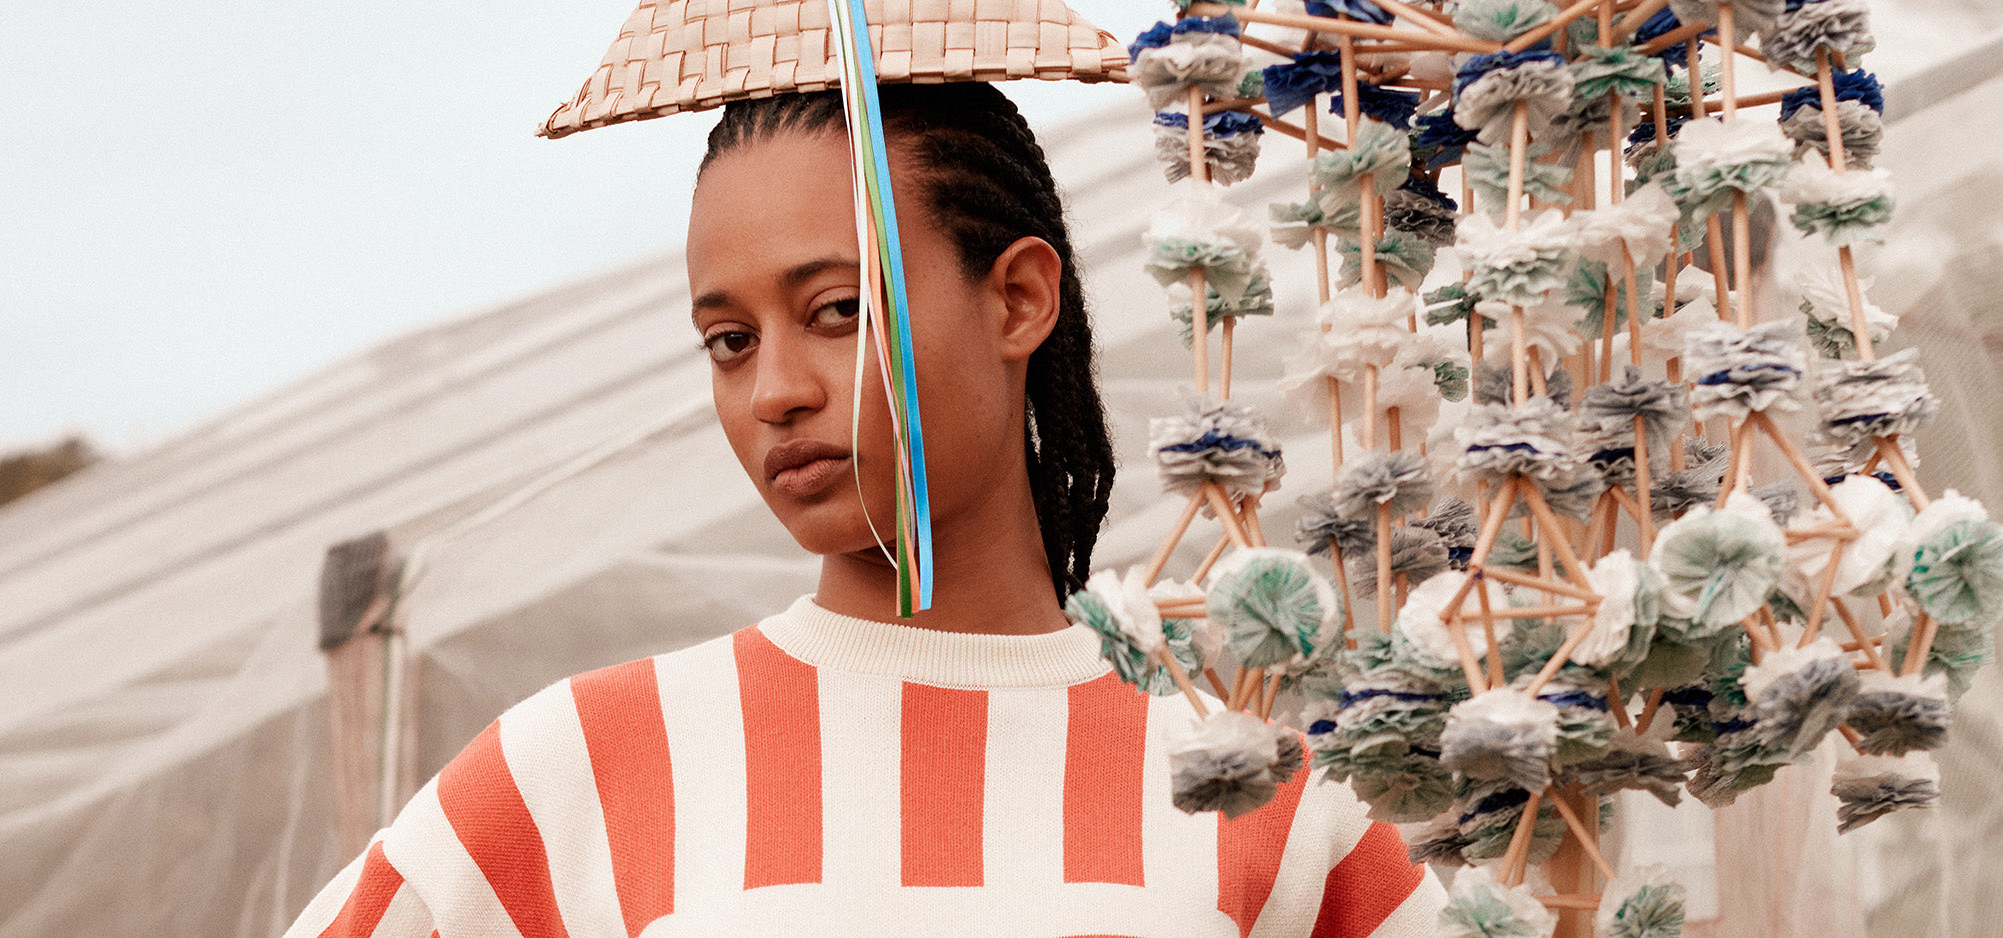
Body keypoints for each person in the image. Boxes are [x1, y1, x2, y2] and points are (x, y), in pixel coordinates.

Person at [281, 83, 1444, 938]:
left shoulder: (1256, 779)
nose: (774, 389)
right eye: (728, 342)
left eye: (837, 309)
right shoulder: (586, 762)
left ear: (1020, 298)